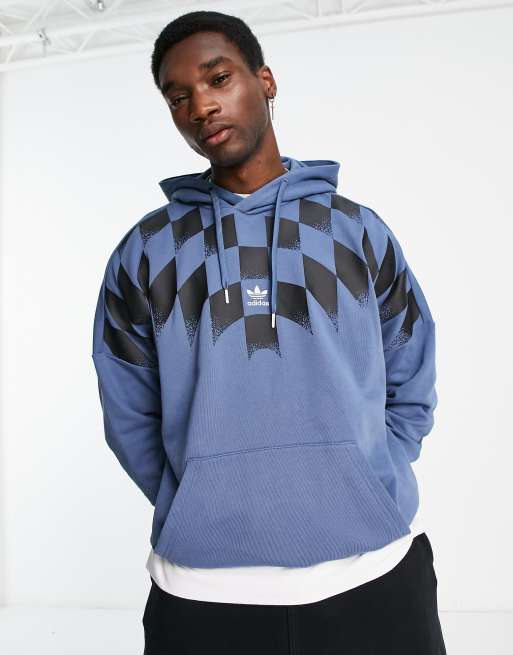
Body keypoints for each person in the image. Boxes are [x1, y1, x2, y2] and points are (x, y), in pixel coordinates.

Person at [91, 9, 447, 655]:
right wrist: (195, 495)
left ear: (265, 80)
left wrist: (366, 477)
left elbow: (411, 377)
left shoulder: (356, 231)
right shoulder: (146, 250)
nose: (201, 105)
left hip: (372, 573)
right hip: (202, 590)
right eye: (178, 96)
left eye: (217, 78)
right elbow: (128, 411)